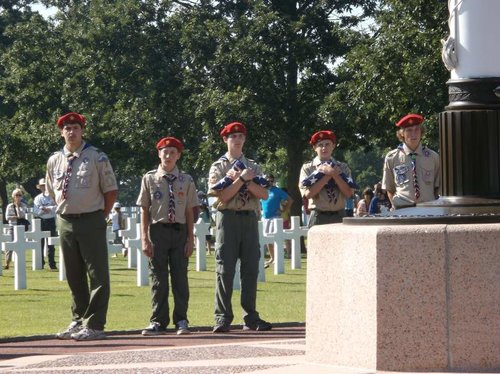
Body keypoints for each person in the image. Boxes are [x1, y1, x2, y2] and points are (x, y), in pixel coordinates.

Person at [46, 112, 118, 341]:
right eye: (67, 128)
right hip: (66, 221)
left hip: (91, 219)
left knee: (97, 273)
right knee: (74, 274)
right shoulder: (54, 159)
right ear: (61, 132)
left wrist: (100, 216)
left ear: (82, 130)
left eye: (76, 127)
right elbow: (51, 191)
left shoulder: (97, 157)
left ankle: (95, 324)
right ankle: (78, 319)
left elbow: (110, 191)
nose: (71, 132)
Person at [207, 121, 272, 333]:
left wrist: (245, 180)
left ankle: (251, 317)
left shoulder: (253, 166)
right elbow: (222, 196)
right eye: (233, 136)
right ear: (225, 140)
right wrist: (240, 181)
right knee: (225, 268)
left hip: (249, 219)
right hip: (228, 218)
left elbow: (263, 194)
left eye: (240, 136)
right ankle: (222, 317)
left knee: (250, 268)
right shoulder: (219, 167)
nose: (237, 140)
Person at [137, 136, 198, 336]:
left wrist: (191, 238)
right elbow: (144, 210)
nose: (169, 155)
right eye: (165, 151)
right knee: (158, 279)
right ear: (159, 154)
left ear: (178, 155)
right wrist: (145, 238)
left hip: (179, 231)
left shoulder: (186, 180)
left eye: (173, 152)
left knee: (180, 278)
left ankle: (181, 319)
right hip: (158, 231)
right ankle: (158, 321)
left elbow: (190, 211)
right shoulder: (149, 178)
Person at [299, 130, 357, 227]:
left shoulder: (342, 167)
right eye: (320, 145)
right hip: (318, 216)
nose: (324, 148)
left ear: (333, 146)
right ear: (314, 148)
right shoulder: (308, 168)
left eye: (327, 144)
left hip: (339, 215)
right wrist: (327, 175)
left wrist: (335, 175)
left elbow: (349, 194)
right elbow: (308, 194)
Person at [382, 114, 440, 209]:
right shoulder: (392, 157)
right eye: (409, 130)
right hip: (402, 210)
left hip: (428, 210)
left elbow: (437, 187)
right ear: (402, 134)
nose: (413, 134)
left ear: (421, 132)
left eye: (417, 129)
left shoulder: (433, 157)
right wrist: (397, 208)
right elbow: (390, 188)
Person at [260, 174, 293, 267]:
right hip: (265, 218)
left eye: (271, 180)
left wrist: (284, 210)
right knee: (267, 239)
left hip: (275, 217)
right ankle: (272, 257)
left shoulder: (278, 191)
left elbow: (290, 200)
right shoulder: (262, 191)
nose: (269, 182)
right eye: (267, 180)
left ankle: (278, 258)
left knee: (275, 238)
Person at [33, 178, 58, 270]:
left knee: (51, 244)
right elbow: (36, 211)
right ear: (40, 187)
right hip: (41, 221)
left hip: (51, 220)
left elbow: (57, 207)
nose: (44, 187)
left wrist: (48, 209)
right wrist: (43, 211)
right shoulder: (37, 198)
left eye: (45, 185)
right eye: (42, 186)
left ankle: (52, 264)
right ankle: (41, 263)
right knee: (41, 243)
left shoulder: (53, 196)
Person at [4, 188, 29, 270]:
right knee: (9, 245)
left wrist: (18, 207)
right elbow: (7, 218)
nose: (18, 197)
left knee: (20, 246)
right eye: (16, 195)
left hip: (20, 228)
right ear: (13, 196)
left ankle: (20, 262)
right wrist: (15, 217)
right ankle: (7, 262)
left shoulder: (24, 206)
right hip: (12, 227)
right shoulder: (9, 206)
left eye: (19, 195)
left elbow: (21, 215)